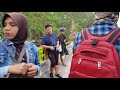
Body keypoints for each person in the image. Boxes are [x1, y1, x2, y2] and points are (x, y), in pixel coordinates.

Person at [0, 12, 40, 78]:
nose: (6, 28)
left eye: (12, 25)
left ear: (22, 27)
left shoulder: (32, 47)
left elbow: (38, 65)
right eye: (4, 25)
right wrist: (9, 69)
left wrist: (36, 69)